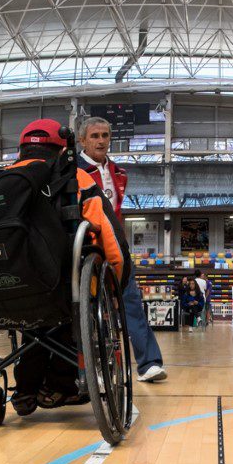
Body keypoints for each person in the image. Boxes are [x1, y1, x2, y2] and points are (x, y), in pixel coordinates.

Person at [0, 118, 128, 415]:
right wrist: (117, 279)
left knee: (30, 322)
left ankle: (25, 391)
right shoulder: (78, 178)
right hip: (59, 291)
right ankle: (58, 386)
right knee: (62, 311)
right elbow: (111, 240)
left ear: (21, 147)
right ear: (63, 146)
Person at [77, 116, 166, 383]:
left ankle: (149, 363)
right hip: (87, 249)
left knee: (132, 304)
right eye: (94, 136)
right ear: (82, 140)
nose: (101, 140)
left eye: (105, 135)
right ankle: (94, 369)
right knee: (89, 310)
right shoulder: (72, 172)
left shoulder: (119, 173)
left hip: (116, 248)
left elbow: (116, 213)